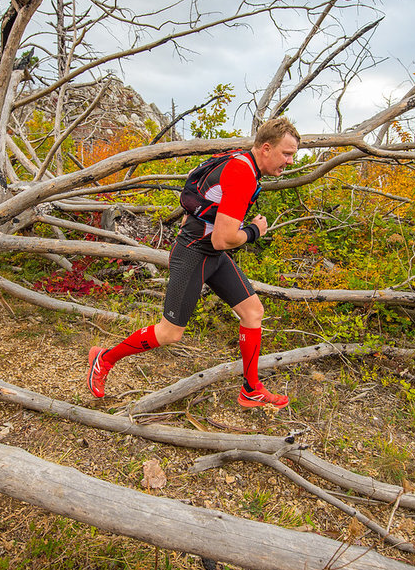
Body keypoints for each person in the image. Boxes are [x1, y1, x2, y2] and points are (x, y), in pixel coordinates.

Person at [87, 117, 300, 409]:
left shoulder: (239, 161)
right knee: (169, 333)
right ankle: (104, 358)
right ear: (266, 148)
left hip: (210, 254)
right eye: (287, 154)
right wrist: (254, 231)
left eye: (292, 155)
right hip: (194, 253)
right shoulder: (242, 173)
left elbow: (201, 199)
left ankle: (251, 389)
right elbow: (222, 240)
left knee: (253, 312)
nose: (289, 161)